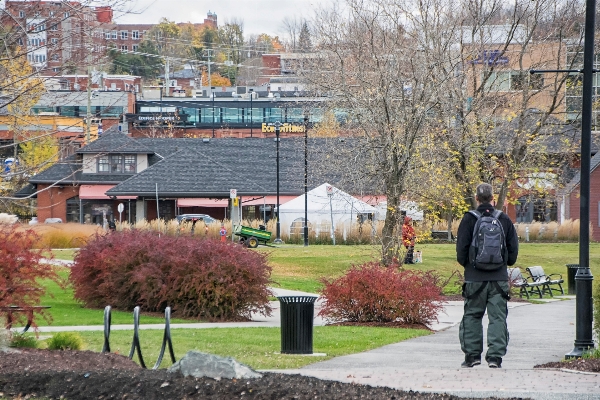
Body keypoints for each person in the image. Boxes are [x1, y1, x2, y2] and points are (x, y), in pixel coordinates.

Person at [456, 183, 519, 369]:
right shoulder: (504, 219)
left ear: (476, 198)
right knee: (497, 318)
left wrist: (471, 265)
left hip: (474, 279)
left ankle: (472, 356)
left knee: (472, 316)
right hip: (498, 279)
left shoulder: (468, 219)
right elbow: (513, 255)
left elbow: (461, 253)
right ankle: (495, 358)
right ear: (493, 198)